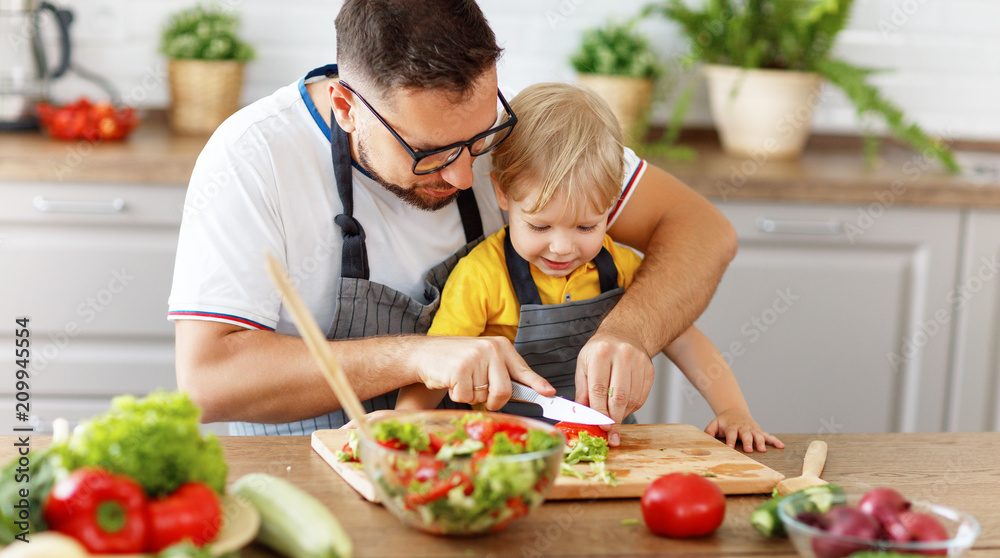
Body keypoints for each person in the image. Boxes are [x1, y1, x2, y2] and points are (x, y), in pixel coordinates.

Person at [168, 0, 737, 445]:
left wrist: (629, 332)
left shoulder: (521, 132)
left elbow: (704, 231)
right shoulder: (253, 156)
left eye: (481, 137)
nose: (467, 175)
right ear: (346, 107)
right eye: (431, 153)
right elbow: (208, 381)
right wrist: (418, 355)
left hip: (477, 470)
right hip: (306, 473)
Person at [394, 83, 781, 451]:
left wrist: (733, 411)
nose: (562, 248)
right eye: (540, 226)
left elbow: (686, 340)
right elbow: (436, 368)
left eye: (586, 227)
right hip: (506, 452)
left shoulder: (623, 267)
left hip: (608, 450)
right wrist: (402, 424)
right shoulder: (481, 275)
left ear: (612, 203)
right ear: (502, 193)